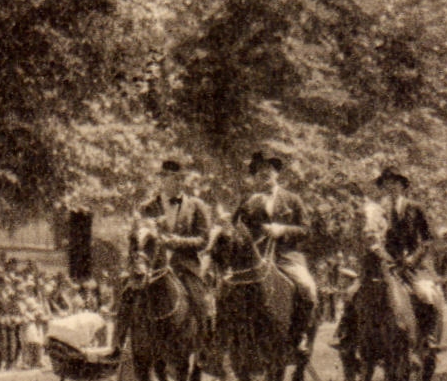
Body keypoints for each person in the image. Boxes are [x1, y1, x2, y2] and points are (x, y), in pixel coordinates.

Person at [110, 159, 217, 360]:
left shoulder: (196, 206)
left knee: (201, 300)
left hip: (184, 264)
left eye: (179, 179)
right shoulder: (147, 206)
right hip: (152, 264)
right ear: (162, 180)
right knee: (127, 293)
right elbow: (137, 236)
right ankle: (118, 344)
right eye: (171, 179)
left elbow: (204, 240)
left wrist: (178, 241)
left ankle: (206, 346)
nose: (176, 183)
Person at [332, 165, 443, 354]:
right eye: (386, 184)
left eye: (395, 183)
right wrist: (375, 250)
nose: (391, 187)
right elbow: (369, 235)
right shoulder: (376, 210)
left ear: (402, 186)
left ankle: (429, 337)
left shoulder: (415, 208)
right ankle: (345, 336)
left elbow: (427, 240)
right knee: (352, 293)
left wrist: (413, 258)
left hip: (411, 265)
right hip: (382, 263)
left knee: (426, 295)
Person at [232, 150, 318, 357]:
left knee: (307, 288)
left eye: (269, 169)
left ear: (276, 173)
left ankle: (300, 334)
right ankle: (227, 339)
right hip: (256, 259)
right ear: (255, 175)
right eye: (260, 170)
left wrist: (283, 230)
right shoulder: (248, 201)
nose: (265, 173)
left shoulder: (292, 199)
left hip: (286, 257)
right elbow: (235, 226)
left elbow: (306, 230)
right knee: (227, 289)